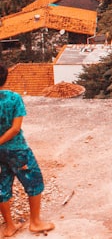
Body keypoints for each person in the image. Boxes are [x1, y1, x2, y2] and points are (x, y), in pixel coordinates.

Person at [0, 64, 54, 236]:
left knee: (2, 186)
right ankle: (35, 222)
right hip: (17, 150)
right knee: (34, 182)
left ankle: (10, 226)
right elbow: (15, 129)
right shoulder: (13, 98)